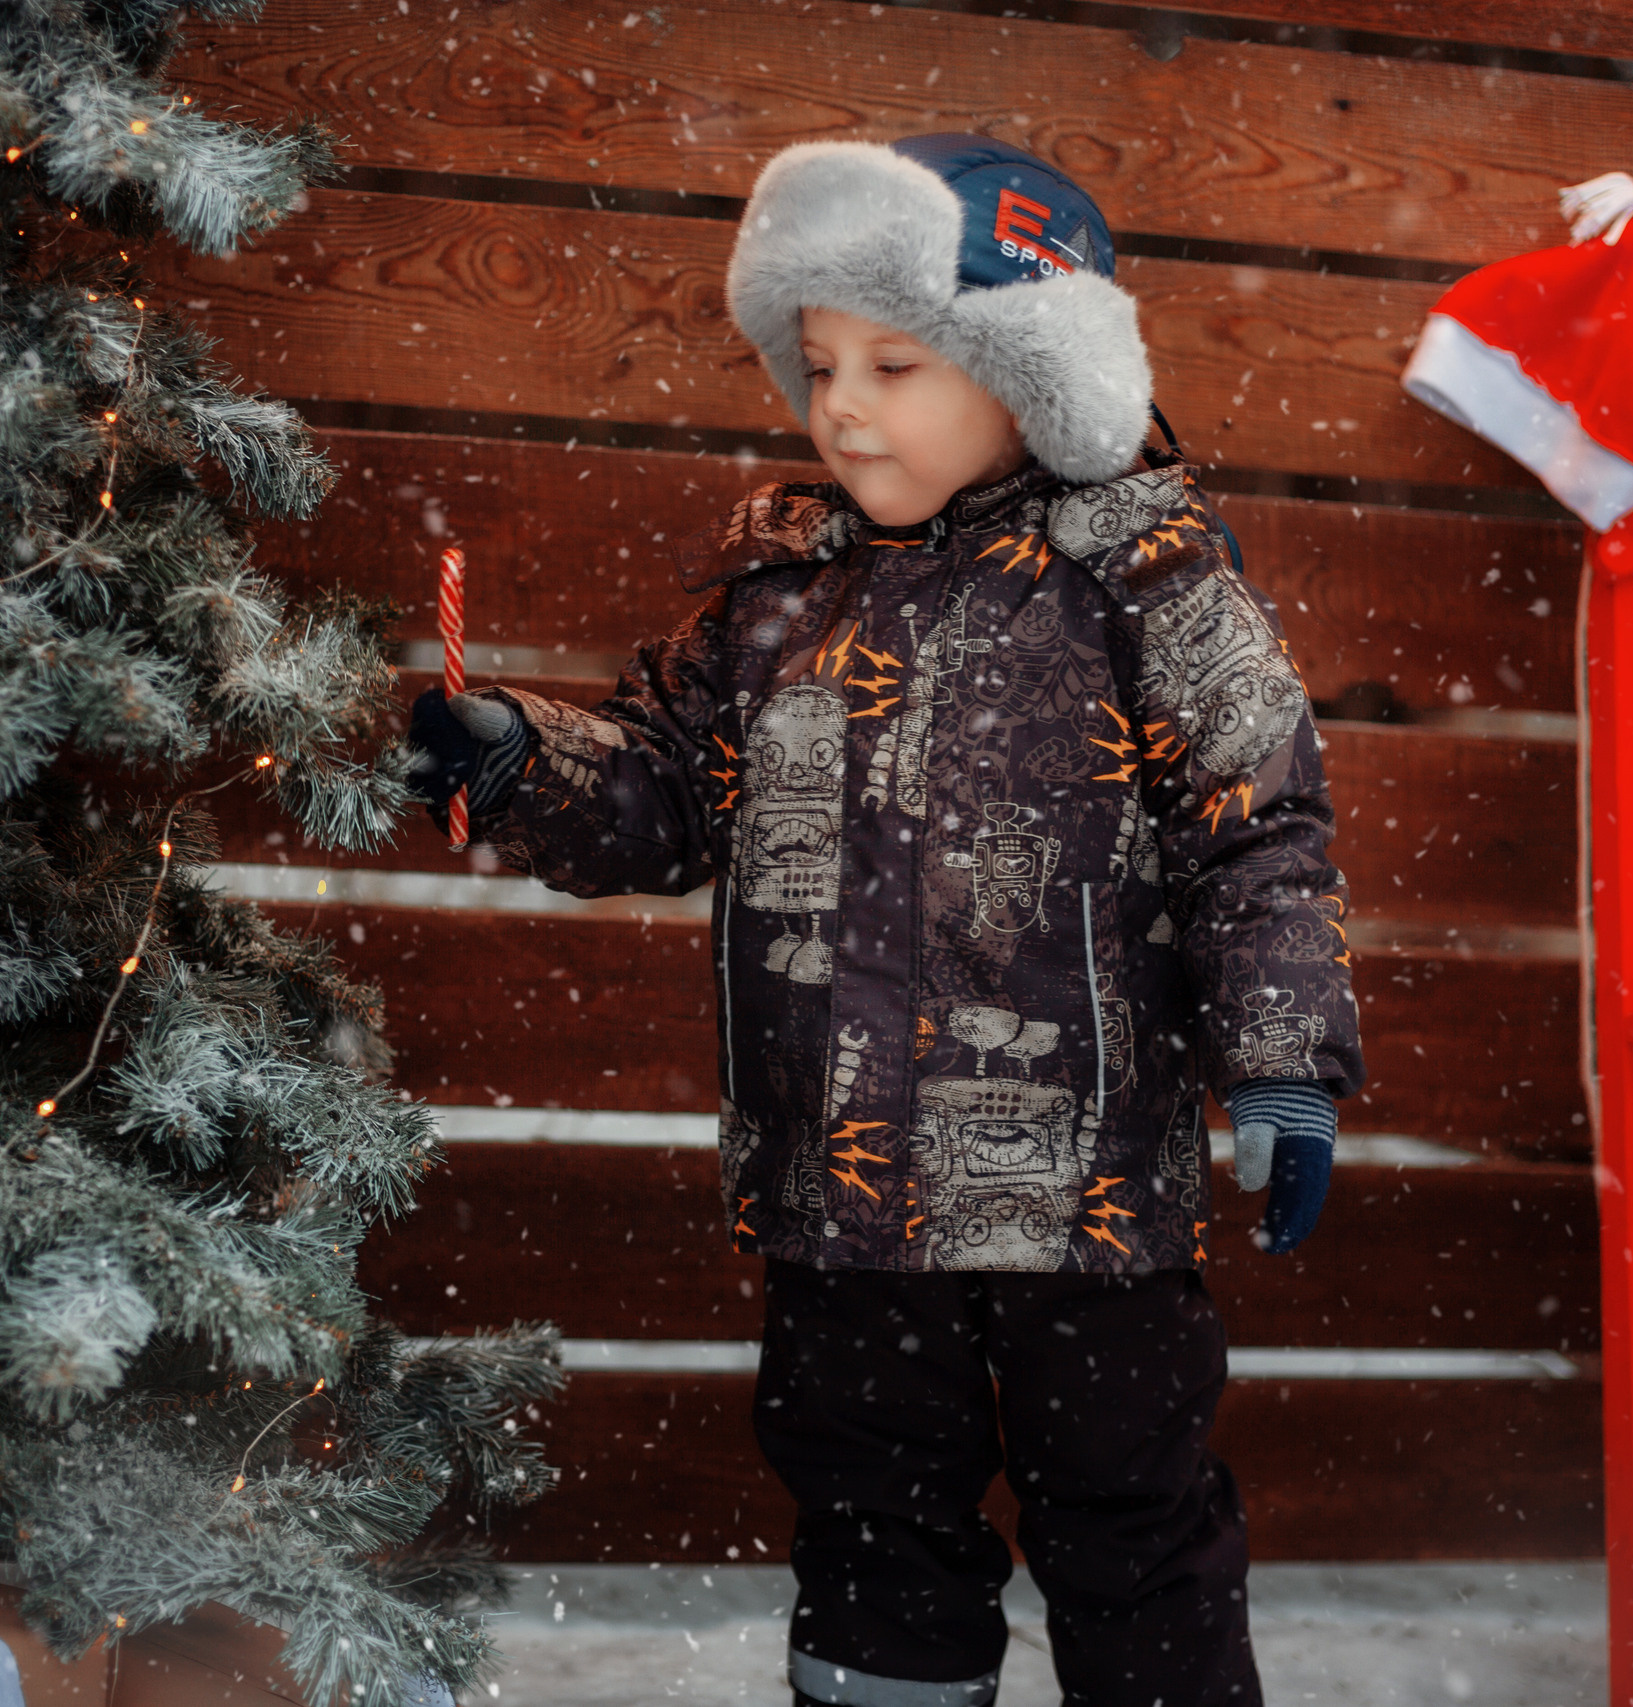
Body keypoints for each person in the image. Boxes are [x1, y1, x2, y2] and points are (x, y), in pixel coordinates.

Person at [407, 135, 1363, 1707]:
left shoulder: (1147, 581)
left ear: (1032, 373)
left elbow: (1255, 834)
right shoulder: (779, 597)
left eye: (896, 364)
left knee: (1132, 1525)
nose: (843, 406)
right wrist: (523, 761)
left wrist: (1279, 1061)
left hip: (1087, 1214)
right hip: (839, 1201)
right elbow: (664, 792)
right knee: (871, 1535)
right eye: (821, 363)